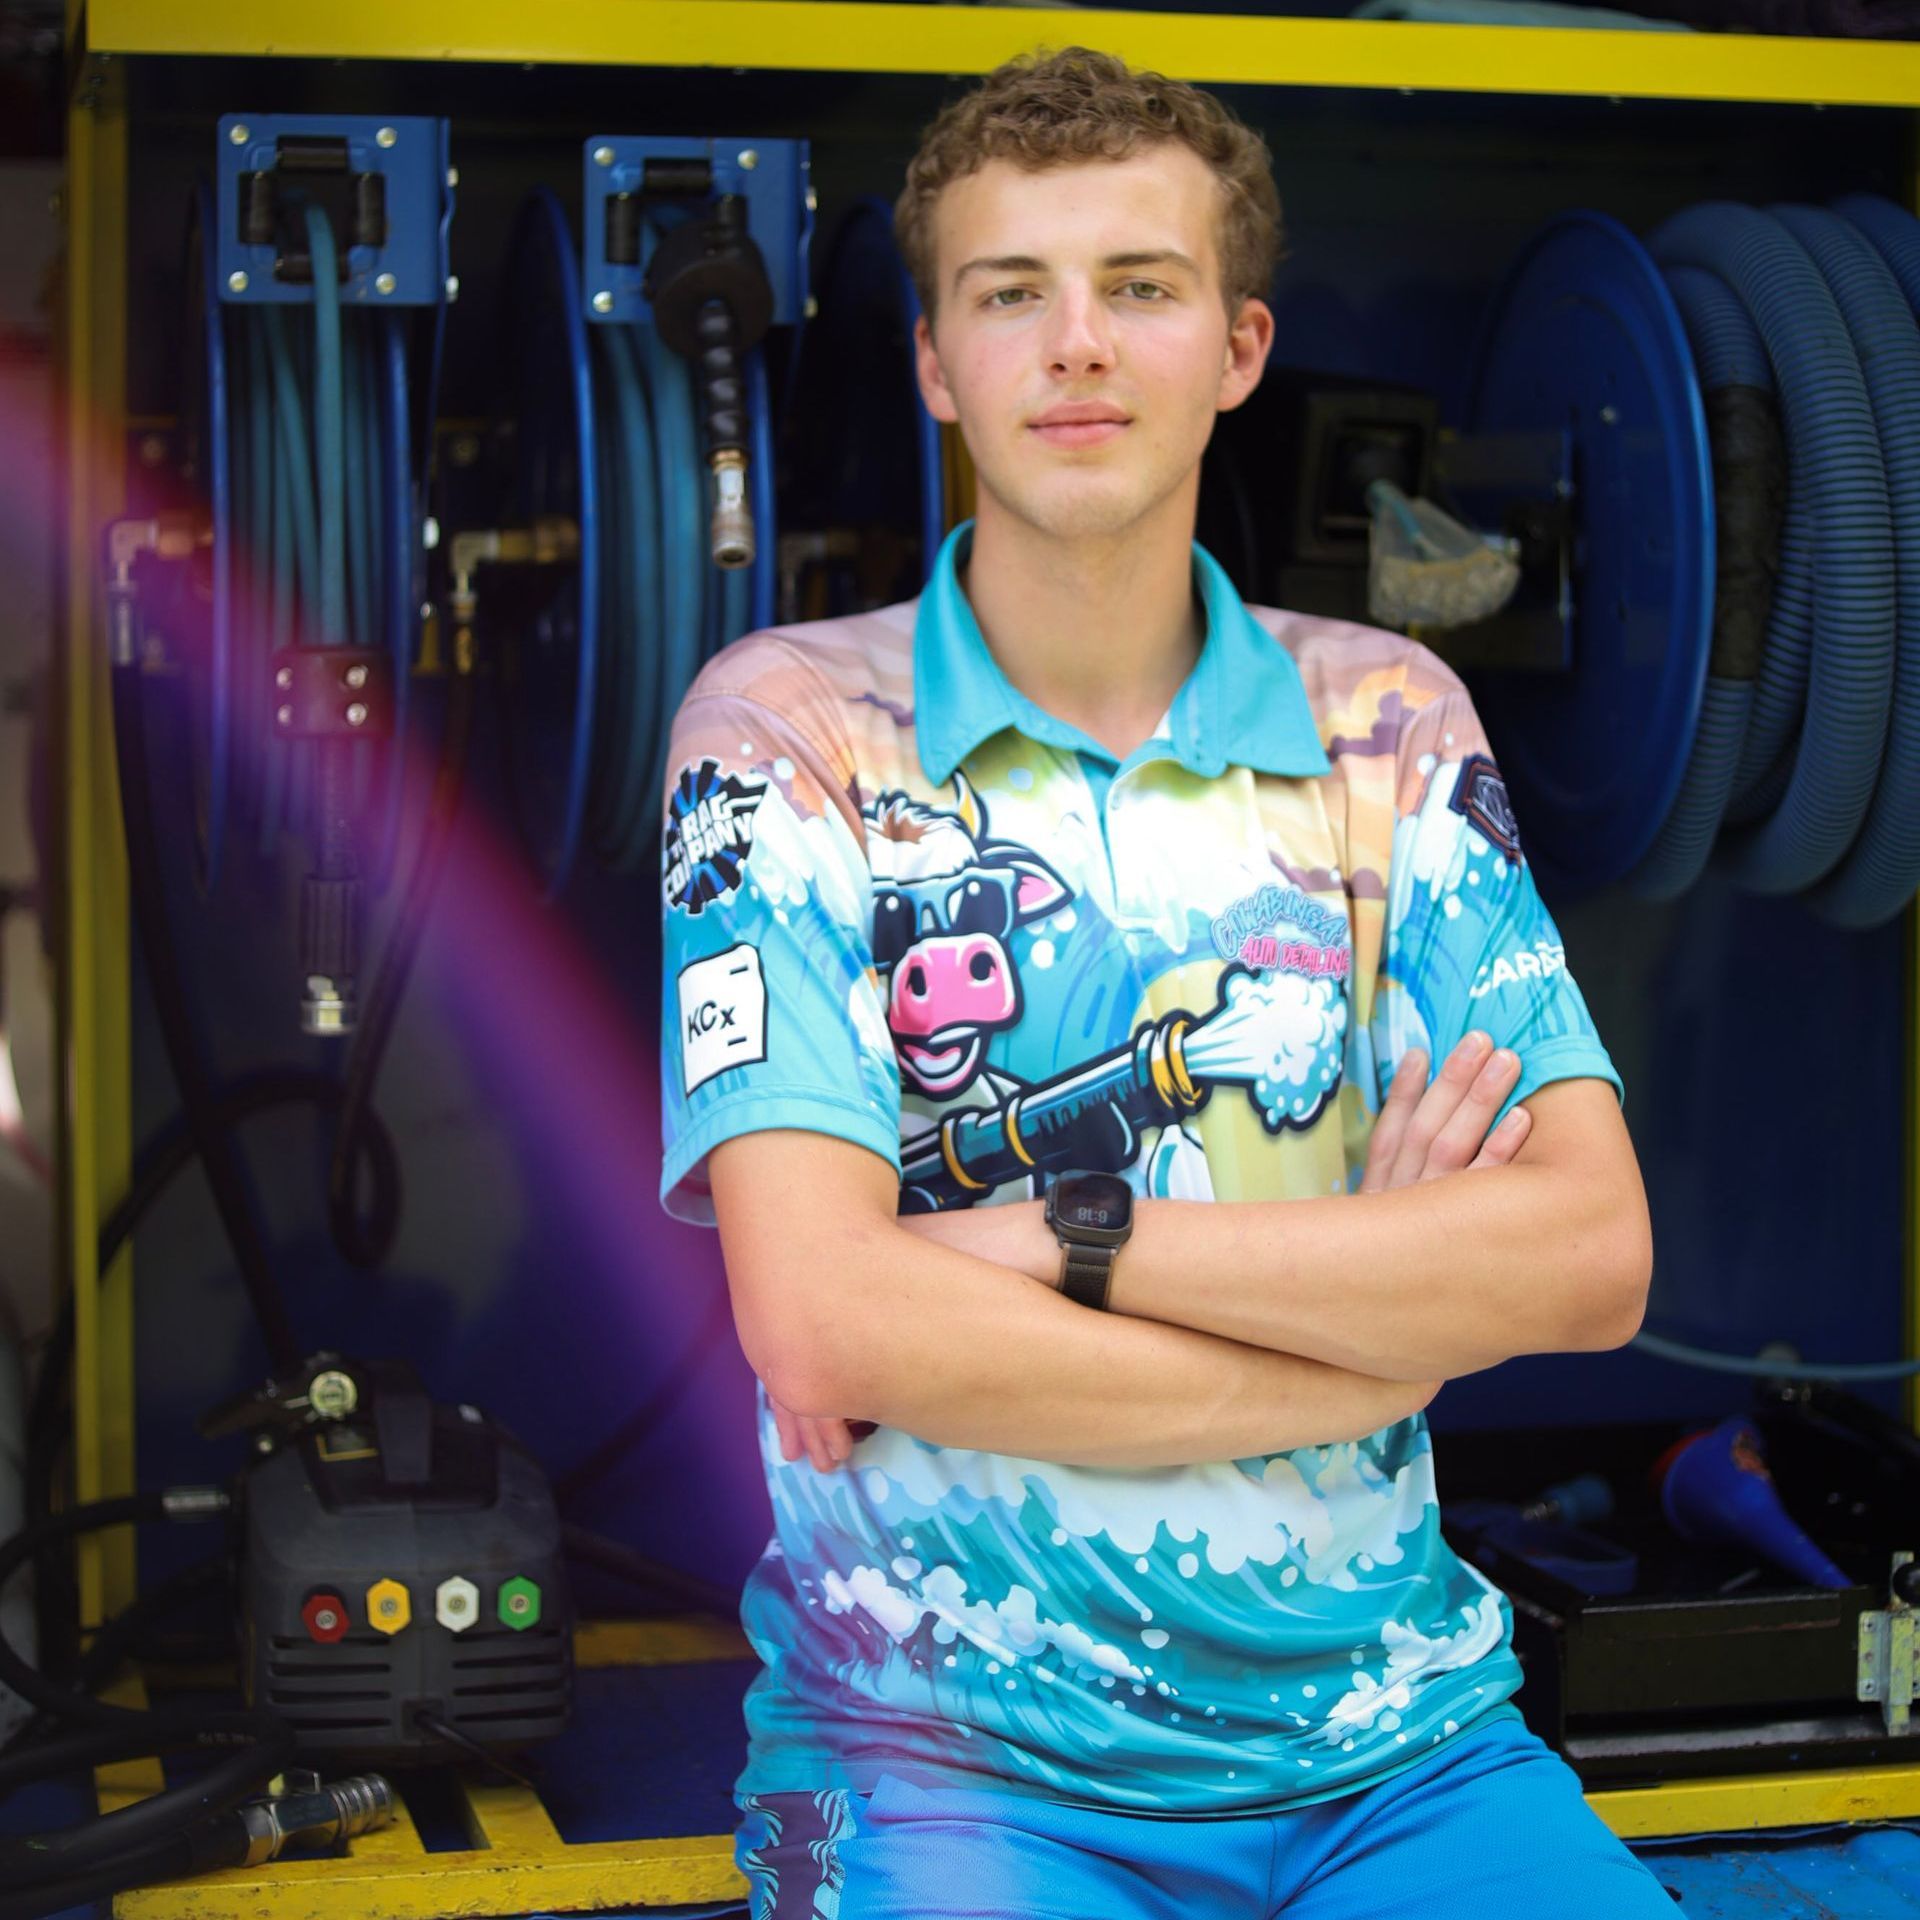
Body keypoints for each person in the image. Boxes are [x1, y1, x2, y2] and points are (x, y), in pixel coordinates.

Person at [658, 44, 1668, 1919]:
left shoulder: (1392, 722)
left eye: (1140, 288)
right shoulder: (785, 734)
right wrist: (1377, 1342)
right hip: (941, 1770)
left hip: (1404, 1755)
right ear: (934, 366)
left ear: (1240, 346)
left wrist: (1057, 1237)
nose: (1078, 345)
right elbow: (820, 1328)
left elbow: (1592, 1258)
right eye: (1009, 294)